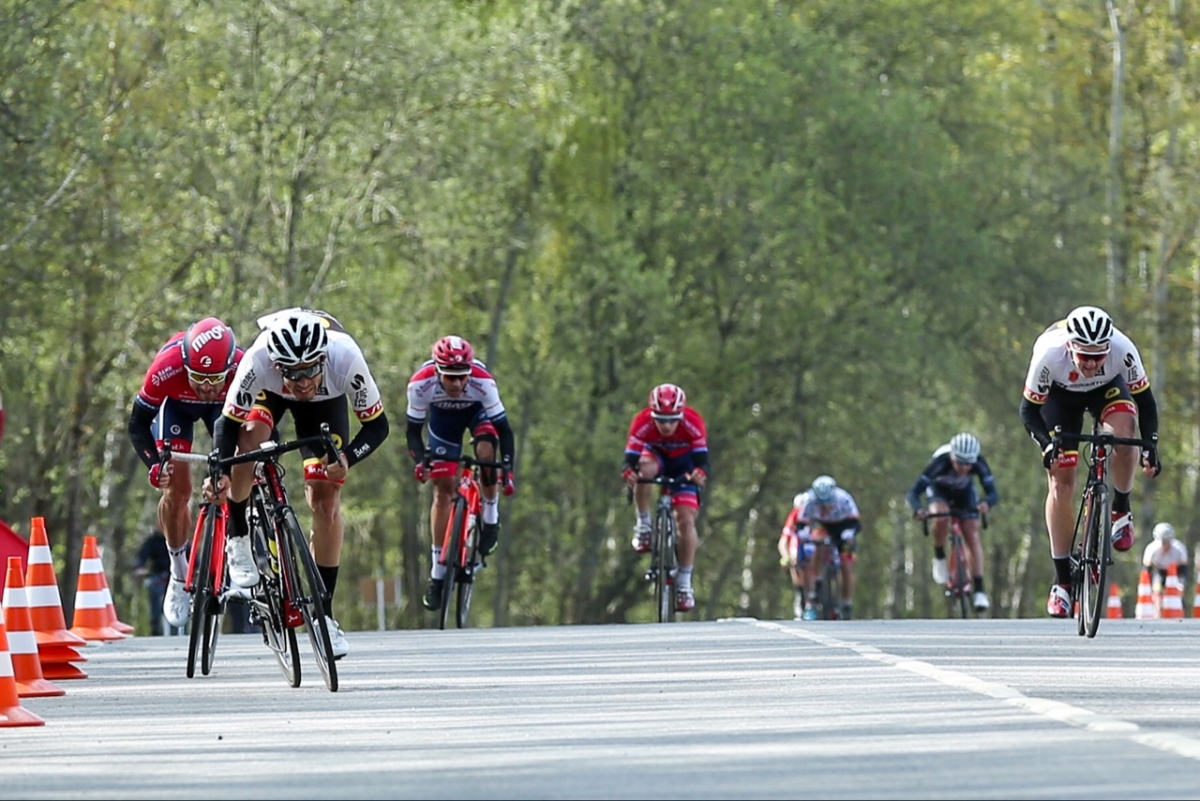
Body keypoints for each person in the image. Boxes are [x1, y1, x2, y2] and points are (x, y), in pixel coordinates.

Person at [203, 308, 390, 659]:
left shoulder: (345, 358)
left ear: (323, 358)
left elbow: (378, 426)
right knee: (249, 442)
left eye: (309, 371)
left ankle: (324, 616)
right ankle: (239, 536)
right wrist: (220, 475)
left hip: (325, 405)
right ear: (277, 364)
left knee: (326, 499)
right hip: (269, 398)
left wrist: (347, 458)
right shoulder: (259, 360)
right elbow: (226, 425)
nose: (302, 382)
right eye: (293, 373)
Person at [1019, 305, 1161, 618]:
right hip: (1059, 398)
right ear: (1071, 347)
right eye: (1085, 356)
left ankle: (1120, 509)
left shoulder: (1123, 350)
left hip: (1106, 391)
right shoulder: (1048, 352)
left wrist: (1151, 446)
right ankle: (1063, 583)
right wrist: (1046, 445)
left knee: (1125, 435)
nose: (1093, 363)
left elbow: (1146, 403)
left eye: (1099, 356)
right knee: (1061, 480)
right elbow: (1028, 412)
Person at [128, 317, 243, 632]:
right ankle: (179, 574)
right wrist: (154, 464)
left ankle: (240, 542)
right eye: (198, 377)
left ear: (228, 369)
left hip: (225, 410)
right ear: (185, 364)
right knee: (178, 491)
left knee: (242, 462)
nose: (206, 387)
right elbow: (137, 424)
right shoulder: (167, 366)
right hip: (175, 408)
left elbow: (264, 421)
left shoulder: (242, 367)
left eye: (214, 379)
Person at [406, 336, 516, 612]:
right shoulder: (420, 384)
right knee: (442, 491)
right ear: (436, 371)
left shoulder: (483, 382)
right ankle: (437, 575)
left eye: (462, 377)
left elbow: (505, 431)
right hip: (443, 424)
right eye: (450, 377)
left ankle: (490, 517)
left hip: (479, 416)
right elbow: (412, 432)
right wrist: (421, 461)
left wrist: (508, 471)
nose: (456, 384)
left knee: (486, 453)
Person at [622, 383, 709, 613]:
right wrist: (628, 473)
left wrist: (699, 474)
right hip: (656, 459)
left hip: (684, 465)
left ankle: (684, 581)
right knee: (643, 471)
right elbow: (629, 458)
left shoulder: (693, 421)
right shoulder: (641, 422)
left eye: (673, 420)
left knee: (686, 520)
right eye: (661, 419)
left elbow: (702, 460)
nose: (667, 425)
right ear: (652, 414)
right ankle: (644, 523)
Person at [906, 432, 999, 613]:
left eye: (968, 463)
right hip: (939, 492)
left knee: (972, 532)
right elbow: (914, 492)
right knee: (940, 516)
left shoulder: (978, 462)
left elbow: (993, 493)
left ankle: (979, 589)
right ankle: (939, 555)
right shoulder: (939, 462)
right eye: (960, 463)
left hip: (964, 493)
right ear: (951, 457)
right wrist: (918, 509)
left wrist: (986, 504)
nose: (964, 468)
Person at [778, 475, 860, 620]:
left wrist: (848, 535)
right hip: (822, 525)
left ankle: (847, 602)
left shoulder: (844, 499)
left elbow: (856, 524)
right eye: (821, 503)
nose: (825, 506)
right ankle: (818, 580)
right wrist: (805, 535)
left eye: (828, 502)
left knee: (846, 564)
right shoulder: (810, 500)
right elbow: (802, 524)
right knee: (818, 543)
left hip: (843, 526)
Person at [133, 529, 176, 635]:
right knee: (155, 595)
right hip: (158, 576)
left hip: (175, 577)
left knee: (181, 598)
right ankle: (156, 627)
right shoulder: (153, 541)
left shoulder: (177, 539)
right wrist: (139, 567)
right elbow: (142, 557)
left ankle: (179, 627)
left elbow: (192, 557)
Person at [1143, 522, 1189, 608]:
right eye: (1163, 542)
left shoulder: (1179, 549)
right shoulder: (1151, 549)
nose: (1165, 545)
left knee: (1179, 591)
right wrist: (1149, 588)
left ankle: (1179, 609)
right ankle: (1157, 611)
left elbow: (1184, 569)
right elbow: (1147, 569)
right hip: (1159, 571)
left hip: (1176, 571)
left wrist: (1181, 584)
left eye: (1168, 541)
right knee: (1156, 591)